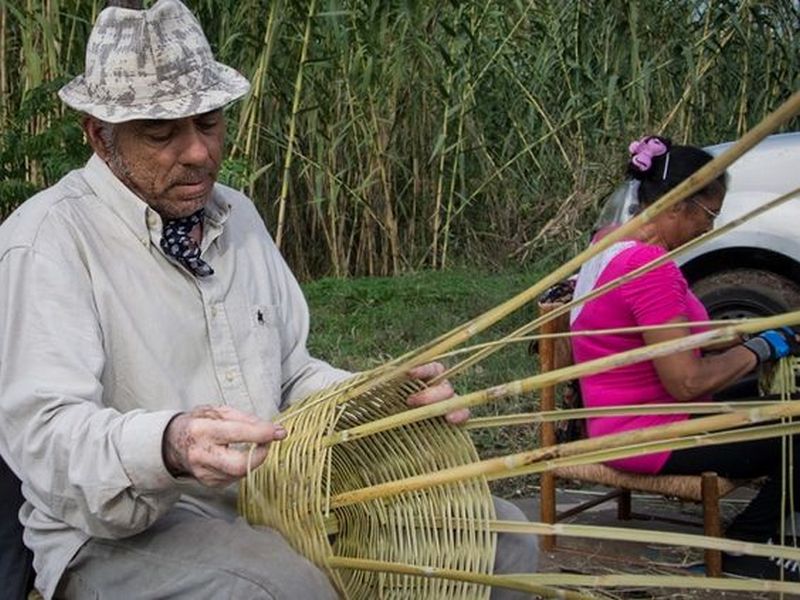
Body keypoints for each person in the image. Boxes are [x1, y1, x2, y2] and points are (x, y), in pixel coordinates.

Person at [0, 1, 538, 598]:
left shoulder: (239, 216)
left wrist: (379, 399)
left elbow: (289, 375)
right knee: (280, 589)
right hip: (119, 531)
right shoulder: (47, 243)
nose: (199, 153)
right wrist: (171, 444)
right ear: (101, 137)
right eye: (162, 134)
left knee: (496, 537)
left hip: (272, 495)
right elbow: (45, 435)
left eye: (209, 123)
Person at [570, 134, 800, 580]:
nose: (710, 229)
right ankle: (747, 549)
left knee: (784, 395)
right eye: (709, 214)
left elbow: (676, 334)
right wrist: (757, 350)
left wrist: (759, 334)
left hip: (637, 416)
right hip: (646, 434)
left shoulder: (609, 244)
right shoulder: (647, 270)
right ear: (677, 206)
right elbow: (688, 382)